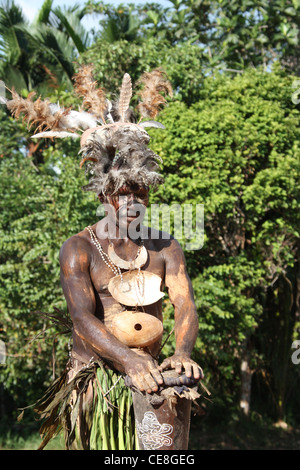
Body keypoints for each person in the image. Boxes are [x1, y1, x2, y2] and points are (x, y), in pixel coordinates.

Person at [5, 66, 203, 450]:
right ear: (104, 196)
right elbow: (81, 317)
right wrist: (128, 361)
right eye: (122, 193)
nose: (132, 202)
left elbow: (184, 302)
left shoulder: (165, 246)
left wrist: (182, 353)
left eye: (139, 192)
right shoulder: (79, 248)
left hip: (155, 379)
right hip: (100, 382)